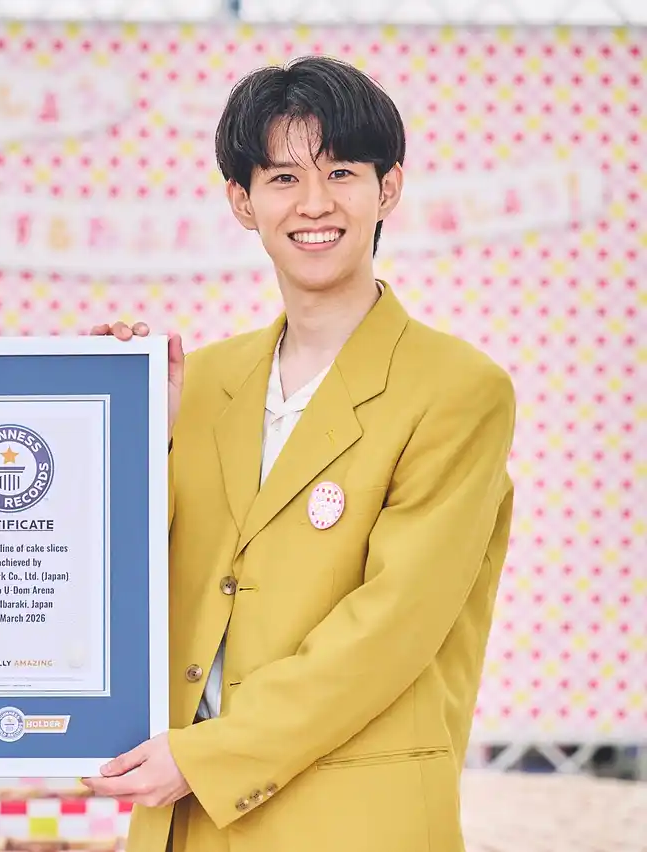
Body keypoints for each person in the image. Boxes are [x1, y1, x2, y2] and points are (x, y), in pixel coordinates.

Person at [83, 56, 517, 852]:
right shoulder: (197, 382)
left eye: (341, 172)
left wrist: (208, 755)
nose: (314, 203)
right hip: (187, 821)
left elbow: (391, 626)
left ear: (389, 188)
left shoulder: (458, 390)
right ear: (242, 202)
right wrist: (119, 435)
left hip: (353, 820)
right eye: (283, 178)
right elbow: (122, 583)